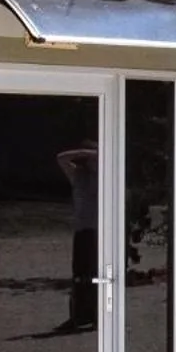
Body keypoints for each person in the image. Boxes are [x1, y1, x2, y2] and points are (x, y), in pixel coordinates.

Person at [54, 140, 99, 333]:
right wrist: (81, 152)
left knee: (95, 275)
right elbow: (60, 158)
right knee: (79, 275)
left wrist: (92, 154)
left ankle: (99, 315)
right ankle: (78, 315)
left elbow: (102, 160)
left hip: (96, 230)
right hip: (81, 230)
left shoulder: (101, 177)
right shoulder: (78, 176)